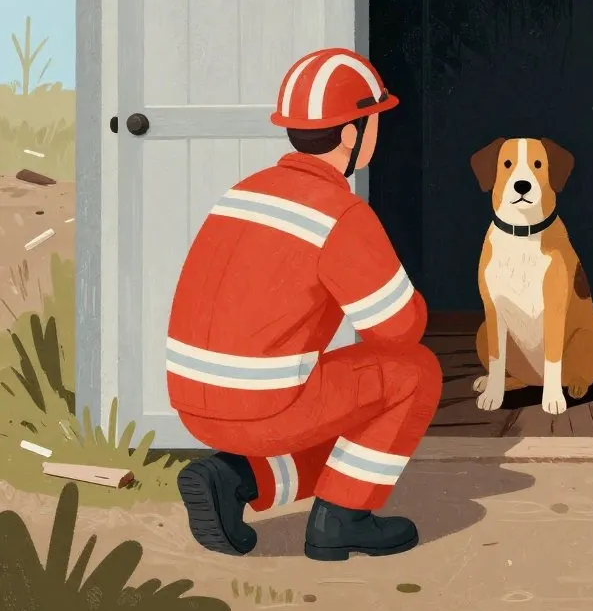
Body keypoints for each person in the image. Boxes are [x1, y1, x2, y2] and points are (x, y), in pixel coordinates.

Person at [167, 48, 441, 562]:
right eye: (376, 121)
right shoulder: (339, 213)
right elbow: (400, 329)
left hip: (192, 404)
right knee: (413, 373)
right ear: (351, 134)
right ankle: (343, 520)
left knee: (346, 402)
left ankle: (237, 477)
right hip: (262, 409)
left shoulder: (242, 192)